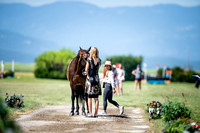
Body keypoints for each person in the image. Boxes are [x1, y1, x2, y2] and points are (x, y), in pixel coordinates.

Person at [84, 47, 101, 117]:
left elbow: (86, 70)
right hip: (97, 80)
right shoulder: (99, 60)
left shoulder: (89, 59)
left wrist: (85, 73)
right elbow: (97, 69)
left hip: (90, 80)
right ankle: (96, 114)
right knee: (96, 98)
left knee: (89, 97)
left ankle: (90, 113)